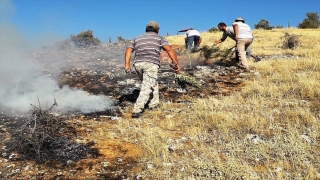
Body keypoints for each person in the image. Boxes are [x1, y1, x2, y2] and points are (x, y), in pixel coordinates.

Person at [125, 21, 181, 118]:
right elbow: (169, 50)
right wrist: (176, 64)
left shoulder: (137, 38)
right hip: (151, 64)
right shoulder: (160, 38)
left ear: (146, 29)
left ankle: (153, 104)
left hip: (138, 64)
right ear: (157, 30)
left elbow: (129, 50)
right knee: (147, 86)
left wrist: (127, 65)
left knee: (151, 83)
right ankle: (137, 110)